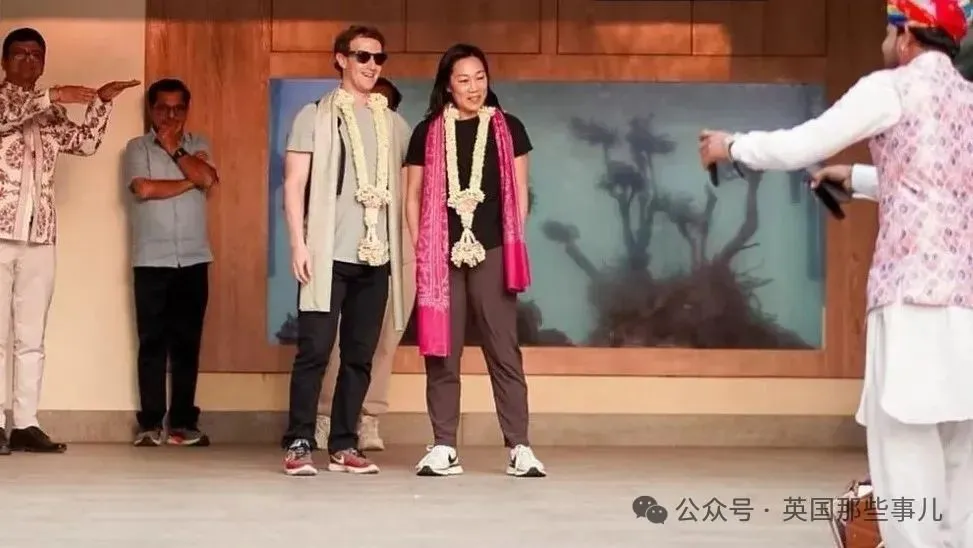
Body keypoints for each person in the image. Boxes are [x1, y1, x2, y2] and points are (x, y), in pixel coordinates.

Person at [697, 1, 973, 545]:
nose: (884, 43)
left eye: (888, 32)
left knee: (903, 445)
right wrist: (862, 178)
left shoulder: (890, 89)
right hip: (967, 300)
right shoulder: (968, 99)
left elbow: (803, 143)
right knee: (963, 448)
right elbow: (943, 184)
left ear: (906, 36)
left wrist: (731, 146)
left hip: (910, 296)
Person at [404, 43, 546, 478]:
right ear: (447, 85)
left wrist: (508, 241)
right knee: (442, 353)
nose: (473, 87)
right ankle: (444, 446)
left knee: (503, 350)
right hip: (440, 255)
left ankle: (520, 447)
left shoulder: (509, 127)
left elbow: (520, 194)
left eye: (480, 77)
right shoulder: (427, 132)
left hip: (494, 251)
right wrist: (422, 250)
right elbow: (412, 196)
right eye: (463, 80)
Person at [280, 25, 411, 476]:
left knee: (359, 355)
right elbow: (294, 184)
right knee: (314, 351)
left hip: (376, 256)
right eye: (362, 56)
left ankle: (343, 443)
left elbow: (416, 178)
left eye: (379, 57)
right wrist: (298, 243)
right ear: (341, 59)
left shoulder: (392, 123)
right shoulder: (314, 115)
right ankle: (300, 441)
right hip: (325, 253)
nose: (372, 65)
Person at [0, 27, 138, 455]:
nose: (29, 61)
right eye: (20, 53)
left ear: (43, 62)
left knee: (31, 337)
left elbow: (86, 143)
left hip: (41, 236)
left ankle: (25, 423)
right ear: (4, 61)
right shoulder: (6, 102)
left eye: (36, 55)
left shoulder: (51, 113)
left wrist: (102, 102)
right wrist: (54, 95)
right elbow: (10, 116)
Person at [315, 76, 410, 452]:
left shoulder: (401, 137)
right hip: (347, 247)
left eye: (382, 102)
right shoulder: (338, 137)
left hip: (399, 249)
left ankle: (369, 418)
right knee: (338, 339)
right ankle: (325, 416)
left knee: (384, 340)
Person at [122, 78, 218, 448]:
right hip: (151, 259)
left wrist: (175, 150)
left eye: (178, 108)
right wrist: (191, 180)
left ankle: (182, 424)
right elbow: (144, 189)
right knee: (151, 344)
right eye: (163, 108)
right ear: (151, 110)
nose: (170, 115)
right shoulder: (136, 147)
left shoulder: (199, 143)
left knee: (187, 345)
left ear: (186, 110)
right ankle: (149, 424)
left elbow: (208, 178)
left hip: (194, 258)